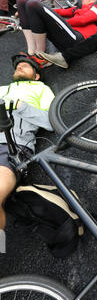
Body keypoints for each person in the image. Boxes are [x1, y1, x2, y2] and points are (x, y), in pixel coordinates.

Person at [0, 53, 55, 230]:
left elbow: (51, 122)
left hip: (11, 145)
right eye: (18, 65)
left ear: (36, 75)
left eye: (25, 65)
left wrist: (21, 106)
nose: (19, 66)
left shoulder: (41, 89)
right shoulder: (2, 88)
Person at [16, 0, 97, 58]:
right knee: (22, 1)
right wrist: (27, 10)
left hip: (77, 39)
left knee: (33, 4)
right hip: (65, 37)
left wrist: (60, 22)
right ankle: (31, 52)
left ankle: (40, 54)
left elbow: (82, 20)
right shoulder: (78, 8)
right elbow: (60, 12)